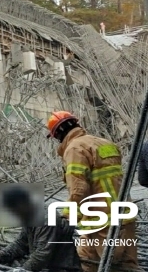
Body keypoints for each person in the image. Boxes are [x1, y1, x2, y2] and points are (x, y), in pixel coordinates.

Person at [47, 111, 139, 272]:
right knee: (88, 261)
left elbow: (78, 188)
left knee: (115, 266)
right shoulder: (105, 143)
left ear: (58, 135)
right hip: (121, 216)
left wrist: (69, 217)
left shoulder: (75, 149)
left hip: (103, 222)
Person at [0, 185, 82, 271]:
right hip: (47, 267)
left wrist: (23, 269)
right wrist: (0, 255)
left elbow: (43, 253)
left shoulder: (47, 218)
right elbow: (21, 243)